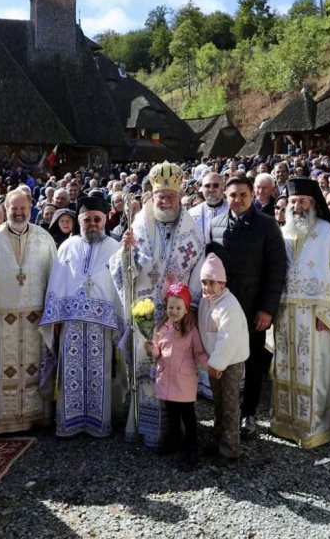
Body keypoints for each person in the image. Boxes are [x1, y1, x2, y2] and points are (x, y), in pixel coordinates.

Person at [112, 161, 206, 447]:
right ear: (152, 196)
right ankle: (146, 430)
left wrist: (188, 310)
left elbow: (198, 273)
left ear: (180, 198)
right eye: (160, 196)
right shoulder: (138, 226)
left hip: (175, 316)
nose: (165, 201)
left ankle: (174, 433)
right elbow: (122, 271)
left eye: (171, 196)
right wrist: (125, 253)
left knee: (174, 371)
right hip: (146, 313)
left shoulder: (193, 233)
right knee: (146, 372)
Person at [0, 189, 56, 434]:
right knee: (0, 367)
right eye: (13, 208)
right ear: (6, 208)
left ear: (31, 208)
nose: (18, 213)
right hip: (0, 316)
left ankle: (36, 415)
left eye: (23, 208)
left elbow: (53, 277)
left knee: (35, 364)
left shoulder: (44, 238)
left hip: (35, 317)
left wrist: (53, 312)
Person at [207, 176, 287, 439]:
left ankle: (248, 414)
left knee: (252, 363)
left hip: (253, 309)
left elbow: (276, 269)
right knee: (223, 359)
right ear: (225, 196)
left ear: (252, 195)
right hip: (222, 309)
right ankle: (225, 413)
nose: (237, 200)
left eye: (243, 194)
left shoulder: (267, 225)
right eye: (232, 195)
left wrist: (267, 309)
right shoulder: (216, 225)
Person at [270, 179, 330, 449]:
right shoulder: (283, 232)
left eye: (302, 201)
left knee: (316, 368)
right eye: (292, 202)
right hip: (285, 314)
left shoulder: (326, 231)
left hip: (317, 316)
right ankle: (286, 421)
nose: (297, 206)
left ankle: (317, 426)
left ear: (314, 204)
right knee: (286, 367)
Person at [40, 195, 124, 438]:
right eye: (87, 220)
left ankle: (99, 423)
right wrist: (54, 318)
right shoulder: (68, 246)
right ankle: (71, 422)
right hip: (72, 324)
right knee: (71, 372)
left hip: (102, 326)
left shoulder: (115, 248)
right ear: (79, 221)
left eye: (97, 219)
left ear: (106, 219)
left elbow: (120, 286)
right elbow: (57, 281)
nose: (92, 224)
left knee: (101, 373)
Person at [147, 282, 209, 470]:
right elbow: (159, 353)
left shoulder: (191, 330)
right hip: (167, 379)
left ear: (186, 309)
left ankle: (192, 449)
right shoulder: (161, 328)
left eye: (178, 308)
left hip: (184, 381)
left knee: (188, 416)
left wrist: (210, 365)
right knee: (172, 414)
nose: (173, 311)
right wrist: (152, 350)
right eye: (170, 307)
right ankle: (173, 441)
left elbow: (198, 352)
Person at [197, 253, 250, 464]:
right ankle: (219, 438)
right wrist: (210, 363)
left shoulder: (229, 305)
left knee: (230, 405)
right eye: (204, 283)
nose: (207, 287)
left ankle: (230, 449)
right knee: (217, 403)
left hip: (230, 362)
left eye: (212, 283)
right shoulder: (205, 302)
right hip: (214, 363)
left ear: (222, 283)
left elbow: (228, 337)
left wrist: (217, 363)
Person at [188, 172, 230, 243]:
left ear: (222, 187)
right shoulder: (192, 213)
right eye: (207, 186)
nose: (211, 189)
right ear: (202, 188)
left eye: (215, 185)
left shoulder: (233, 209)